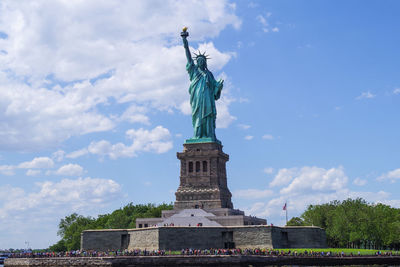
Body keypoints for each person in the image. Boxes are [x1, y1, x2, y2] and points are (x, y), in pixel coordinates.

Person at [181, 28, 224, 141]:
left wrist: (218, 86)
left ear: (205, 63)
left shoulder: (209, 74)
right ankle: (198, 135)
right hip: (197, 98)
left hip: (207, 99)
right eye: (198, 61)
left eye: (202, 61)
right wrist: (185, 40)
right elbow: (188, 56)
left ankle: (209, 135)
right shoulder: (194, 71)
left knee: (208, 117)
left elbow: (215, 90)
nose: (200, 62)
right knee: (198, 116)